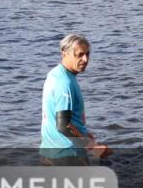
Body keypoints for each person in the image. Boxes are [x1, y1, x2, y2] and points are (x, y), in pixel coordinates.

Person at [40, 34, 112, 162]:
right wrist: (92, 147)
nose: (85, 59)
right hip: (67, 155)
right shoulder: (64, 82)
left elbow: (68, 118)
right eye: (79, 54)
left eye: (87, 54)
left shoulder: (55, 74)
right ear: (64, 53)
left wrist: (86, 136)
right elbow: (63, 125)